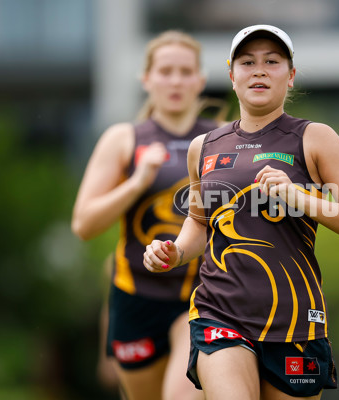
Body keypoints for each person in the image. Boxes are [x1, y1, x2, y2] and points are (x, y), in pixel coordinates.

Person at [143, 24, 339, 400]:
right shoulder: (203, 147)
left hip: (294, 323)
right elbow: (198, 223)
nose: (259, 70)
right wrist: (173, 251)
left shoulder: (315, 138)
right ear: (231, 76)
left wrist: (300, 197)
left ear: (289, 77)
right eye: (247, 62)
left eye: (272, 62)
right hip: (219, 312)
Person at [72, 30, 226, 400]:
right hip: (136, 296)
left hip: (201, 295)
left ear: (200, 80)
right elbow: (84, 225)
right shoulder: (123, 139)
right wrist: (138, 180)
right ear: (147, 79)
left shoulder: (223, 139)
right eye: (166, 71)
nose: (175, 81)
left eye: (186, 71)